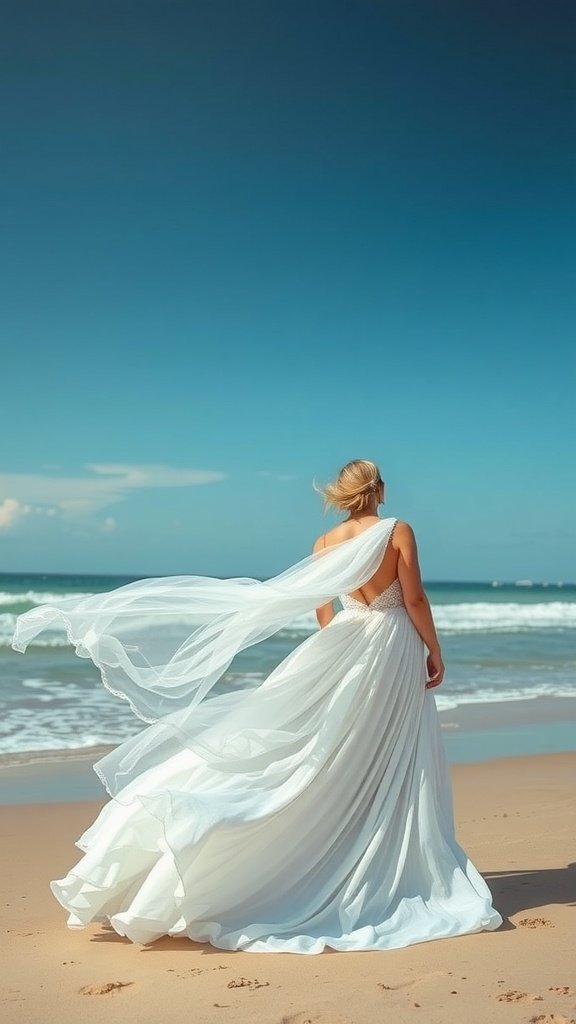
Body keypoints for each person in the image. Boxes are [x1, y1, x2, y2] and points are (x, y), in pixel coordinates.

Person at [11, 458, 503, 953]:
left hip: (349, 641)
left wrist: (346, 644)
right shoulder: (397, 529)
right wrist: (434, 650)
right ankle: (371, 850)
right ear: (380, 489)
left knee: (327, 749)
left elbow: (322, 610)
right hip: (391, 643)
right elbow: (413, 599)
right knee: (378, 751)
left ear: (343, 493)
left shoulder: (324, 544)